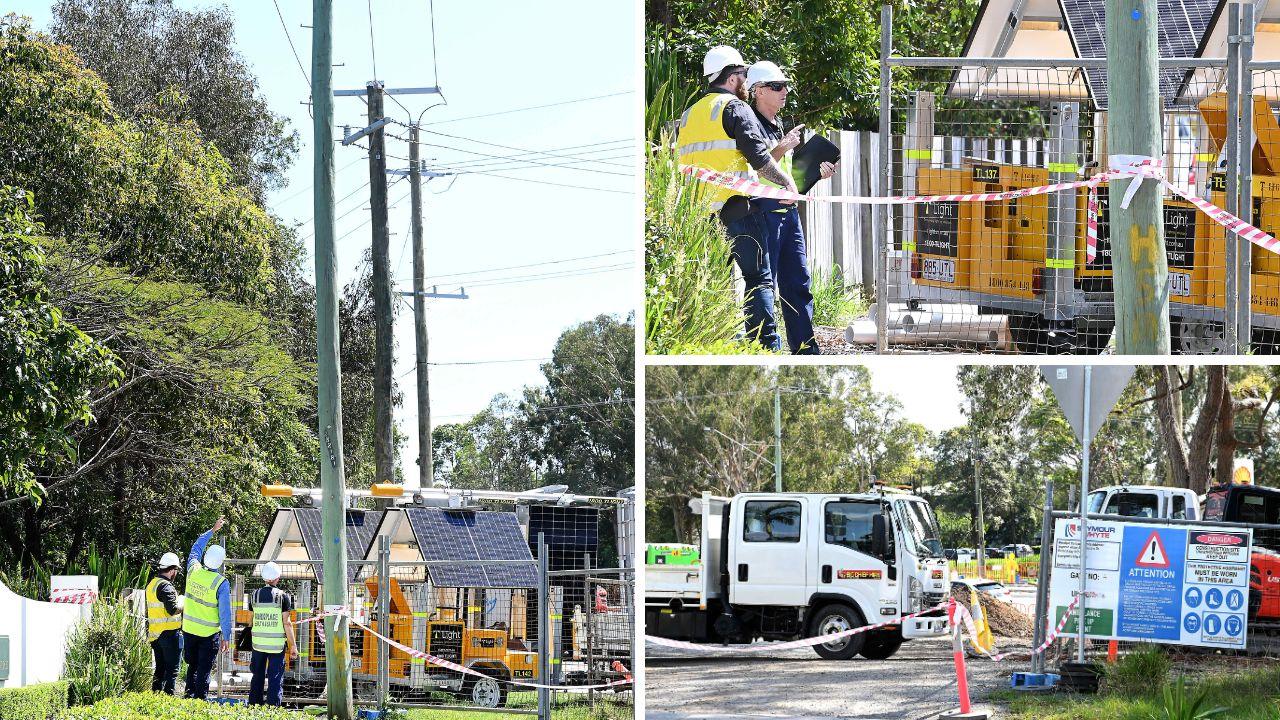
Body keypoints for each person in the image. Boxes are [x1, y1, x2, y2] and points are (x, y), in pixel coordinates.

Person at [677, 45, 799, 352]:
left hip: (699, 215)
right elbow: (759, 158)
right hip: (737, 210)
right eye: (743, 75)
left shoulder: (688, 115)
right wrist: (786, 184)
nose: (745, 80)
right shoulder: (733, 107)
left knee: (711, 280)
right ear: (733, 77)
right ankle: (765, 347)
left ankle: (714, 342)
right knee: (758, 278)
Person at [746, 60, 837, 355]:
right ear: (758, 91)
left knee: (798, 282)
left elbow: (789, 176)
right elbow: (756, 168)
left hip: (789, 213)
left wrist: (814, 173)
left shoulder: (778, 125)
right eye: (777, 86)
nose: (784, 91)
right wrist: (784, 147)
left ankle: (805, 349)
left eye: (785, 86)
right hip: (763, 213)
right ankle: (764, 349)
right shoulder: (749, 123)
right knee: (765, 285)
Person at [182, 516, 232, 701]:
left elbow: (196, 547)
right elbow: (225, 613)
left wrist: (212, 530)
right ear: (220, 563)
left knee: (192, 667)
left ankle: (188, 700)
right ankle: (199, 703)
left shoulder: (193, 570)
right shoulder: (221, 583)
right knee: (203, 670)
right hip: (209, 634)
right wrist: (226, 636)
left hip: (188, 630)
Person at [247, 561, 298, 706]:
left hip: (258, 644)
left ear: (264, 577)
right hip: (276, 646)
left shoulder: (254, 595)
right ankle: (272, 710)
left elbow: (250, 621)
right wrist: (293, 645)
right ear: (278, 578)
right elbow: (287, 623)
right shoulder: (283, 597)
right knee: (275, 678)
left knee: (257, 676)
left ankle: (254, 707)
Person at [145, 551, 184, 694]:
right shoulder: (166, 586)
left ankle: (156, 697)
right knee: (172, 671)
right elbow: (172, 610)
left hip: (156, 636)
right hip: (169, 635)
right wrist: (182, 602)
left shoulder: (152, 584)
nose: (176, 574)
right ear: (172, 570)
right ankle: (168, 699)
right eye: (176, 571)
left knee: (160, 669)